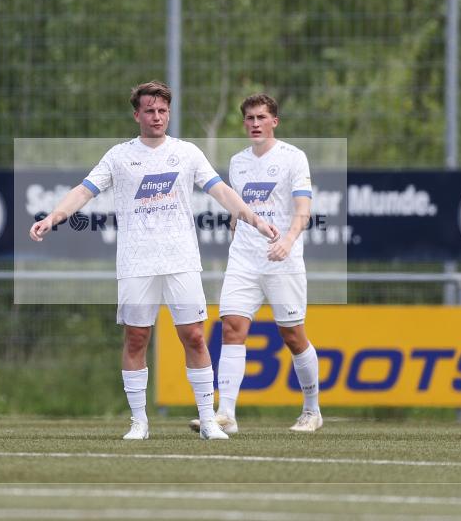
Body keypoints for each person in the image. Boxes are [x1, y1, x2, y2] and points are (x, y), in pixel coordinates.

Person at [30, 81, 279, 440]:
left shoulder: (187, 153)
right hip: (136, 262)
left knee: (194, 336)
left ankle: (208, 420)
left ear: (169, 113)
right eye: (150, 110)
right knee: (136, 338)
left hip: (180, 259)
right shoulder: (119, 156)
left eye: (163, 110)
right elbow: (84, 190)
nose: (157, 116)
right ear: (137, 115)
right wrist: (52, 217)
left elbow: (221, 190)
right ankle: (139, 422)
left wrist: (253, 218)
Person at [190, 93, 322, 434]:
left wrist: (288, 241)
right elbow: (239, 207)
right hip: (244, 260)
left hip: (283, 259)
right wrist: (236, 231)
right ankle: (227, 414)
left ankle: (312, 410)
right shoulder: (238, 162)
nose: (255, 123)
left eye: (261, 117)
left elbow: (303, 210)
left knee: (293, 336)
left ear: (274, 121)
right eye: (249, 118)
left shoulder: (294, 158)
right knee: (232, 327)